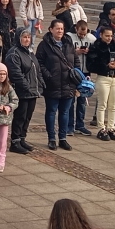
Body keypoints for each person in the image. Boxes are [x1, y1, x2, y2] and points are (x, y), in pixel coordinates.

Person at [36, 19, 77, 151]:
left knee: (65, 112)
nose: (60, 31)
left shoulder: (68, 43)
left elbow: (76, 60)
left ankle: (63, 138)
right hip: (52, 84)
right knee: (51, 112)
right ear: (51, 29)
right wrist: (49, 76)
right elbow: (39, 63)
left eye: (62, 28)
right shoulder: (44, 45)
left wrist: (76, 74)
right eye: (57, 28)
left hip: (68, 84)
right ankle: (52, 138)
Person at [86, 24, 115, 142]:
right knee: (102, 104)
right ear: (101, 35)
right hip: (103, 78)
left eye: (111, 36)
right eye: (107, 36)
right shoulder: (96, 47)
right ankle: (101, 128)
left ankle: (111, 128)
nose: (109, 38)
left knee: (113, 105)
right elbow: (91, 65)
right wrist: (106, 66)